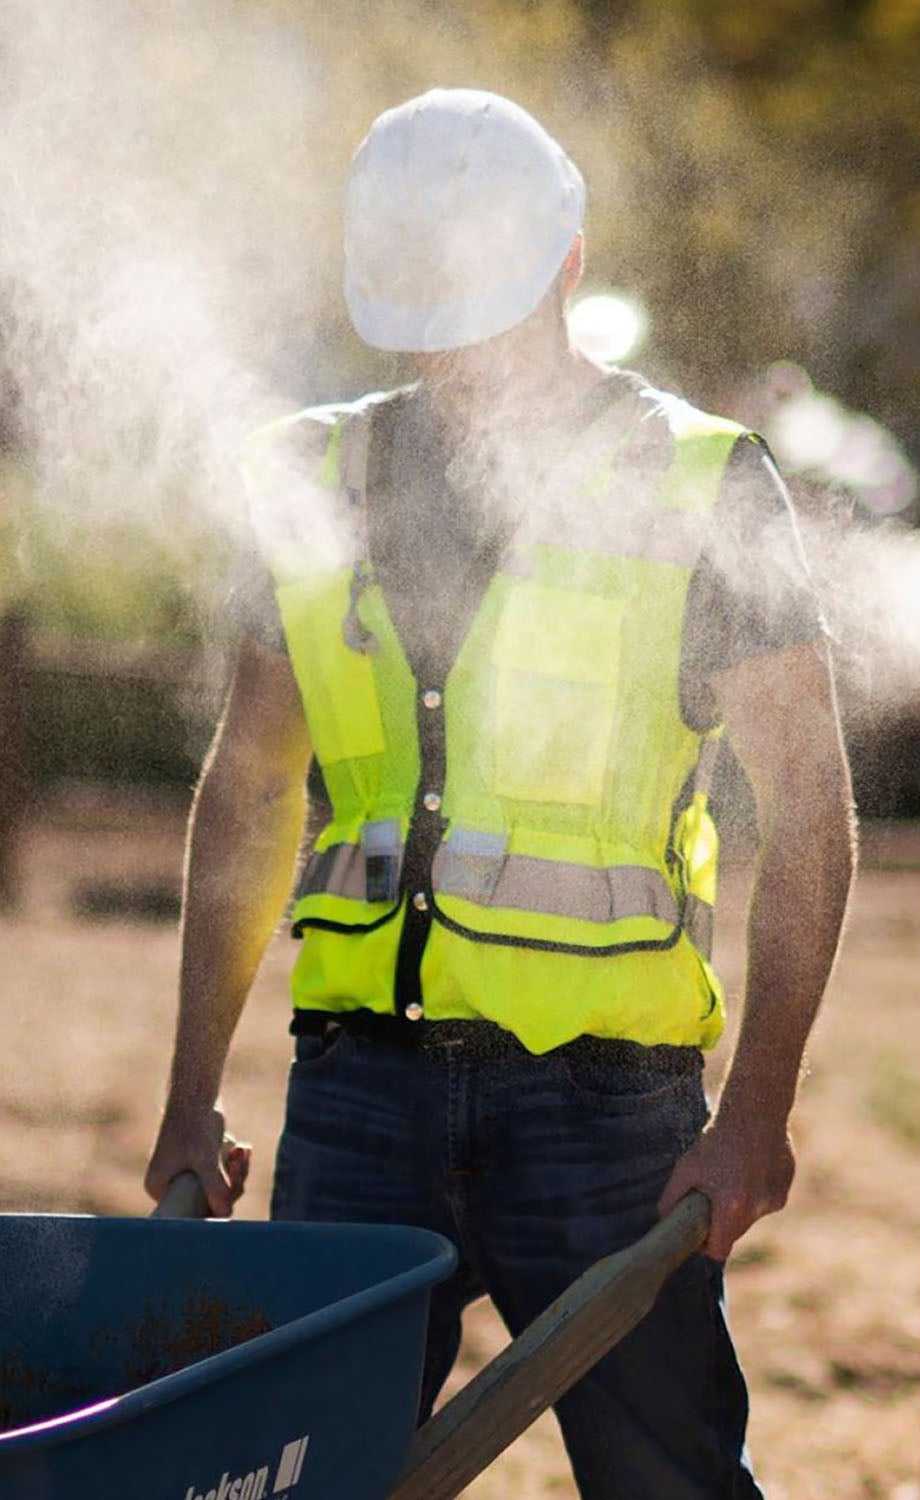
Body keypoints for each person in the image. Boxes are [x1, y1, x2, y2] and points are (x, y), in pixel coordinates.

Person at [145, 87, 855, 1500]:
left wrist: (760, 1106)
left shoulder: (703, 482)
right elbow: (250, 789)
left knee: (673, 1486)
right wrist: (189, 1088)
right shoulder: (311, 477)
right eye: (426, 315)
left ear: (572, 270)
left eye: (486, 308)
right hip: (357, 1090)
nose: (458, 353)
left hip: (607, 1109)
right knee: (297, 1481)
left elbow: (813, 813)